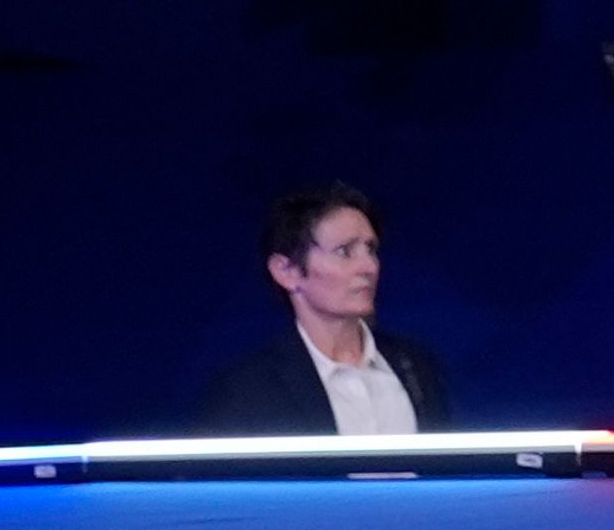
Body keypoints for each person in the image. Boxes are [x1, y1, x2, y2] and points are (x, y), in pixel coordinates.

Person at [192, 186, 454, 437]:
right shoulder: (248, 391)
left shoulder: (416, 367)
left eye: (371, 249)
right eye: (344, 252)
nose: (368, 267)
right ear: (287, 271)